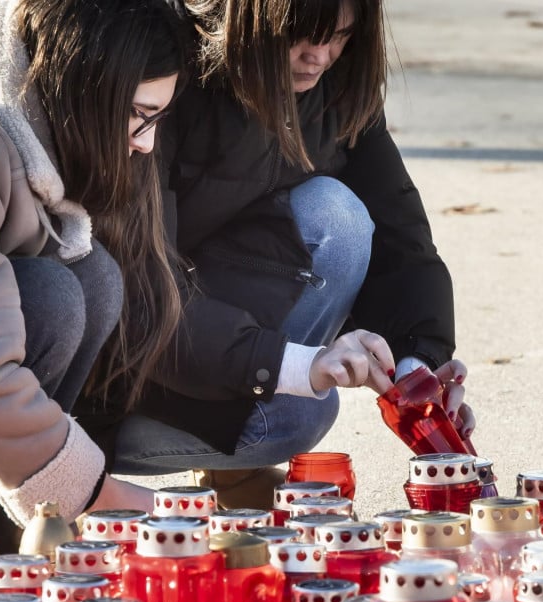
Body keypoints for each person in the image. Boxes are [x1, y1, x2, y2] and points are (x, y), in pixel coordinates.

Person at [103, 0, 476, 507]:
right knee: (298, 415)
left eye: (340, 36)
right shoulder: (164, 76)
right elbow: (140, 288)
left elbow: (401, 233)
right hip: (116, 363)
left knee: (336, 214)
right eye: (299, 35)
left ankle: (229, 466)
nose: (319, 56)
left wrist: (416, 364)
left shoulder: (337, 85)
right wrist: (295, 368)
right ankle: (94, 463)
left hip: (208, 322)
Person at [0, 0, 187, 602]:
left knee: (91, 277)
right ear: (82, 90)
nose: (145, 146)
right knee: (52, 295)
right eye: (138, 117)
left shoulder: (23, 130)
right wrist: (95, 493)